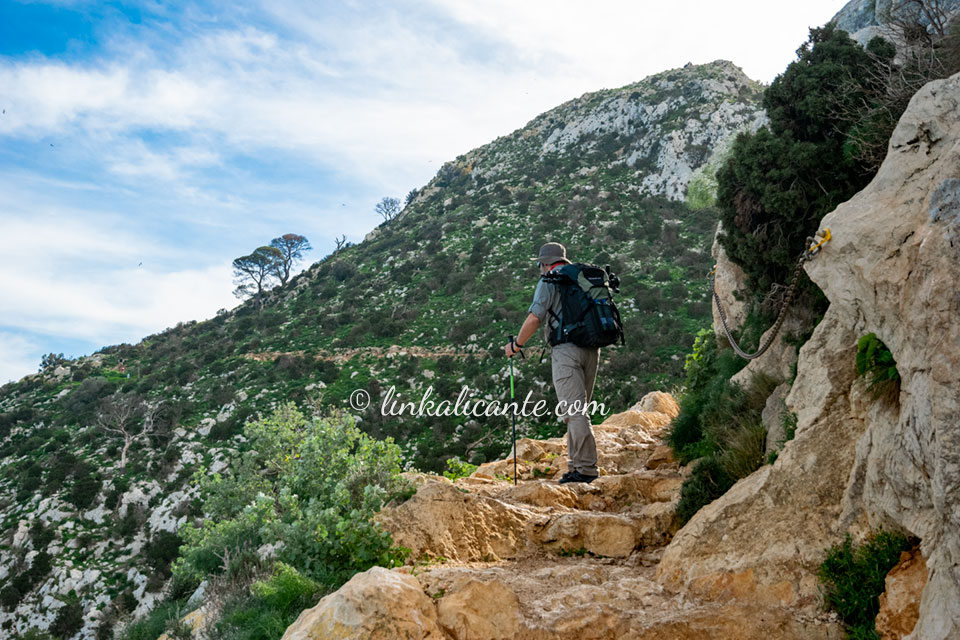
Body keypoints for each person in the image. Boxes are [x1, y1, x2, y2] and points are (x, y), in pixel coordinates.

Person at [504, 242, 599, 484]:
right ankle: (576, 466)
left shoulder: (549, 280)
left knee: (575, 412)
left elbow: (535, 318)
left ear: (545, 263)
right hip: (592, 348)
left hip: (566, 351)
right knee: (578, 411)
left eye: (539, 265)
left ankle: (586, 469)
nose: (539, 269)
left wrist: (516, 345)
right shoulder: (581, 278)